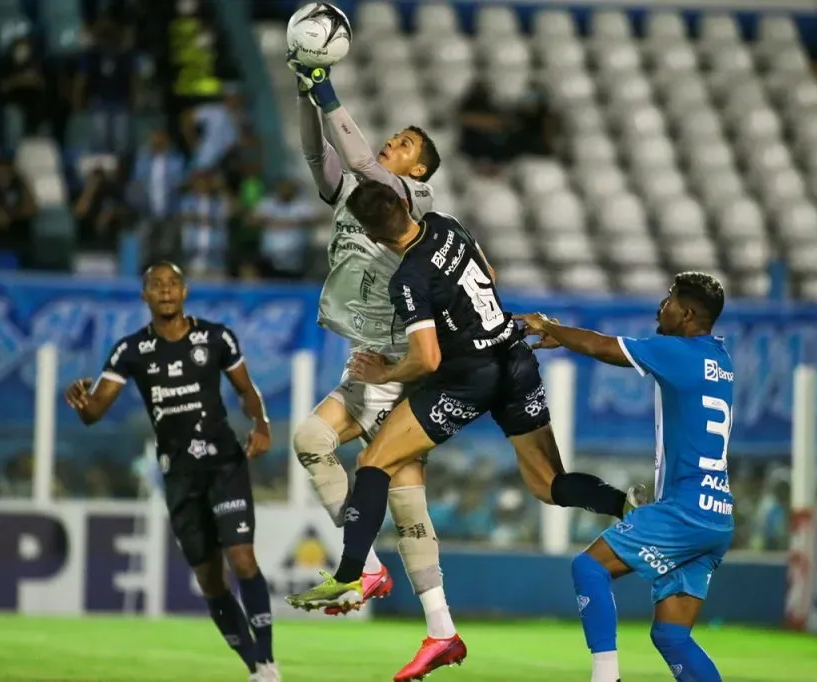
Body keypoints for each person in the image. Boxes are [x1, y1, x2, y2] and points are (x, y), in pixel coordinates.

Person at [285, 181, 643, 629]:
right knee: (548, 482)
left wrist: (384, 373)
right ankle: (626, 504)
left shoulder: (409, 279)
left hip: (470, 378)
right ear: (403, 206)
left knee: (375, 462)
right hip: (514, 357)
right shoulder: (445, 224)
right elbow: (488, 276)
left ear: (375, 238)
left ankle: (351, 574)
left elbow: (427, 358)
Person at [286, 49, 464, 682]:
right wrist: (305, 96)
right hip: (368, 364)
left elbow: (359, 158)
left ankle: (413, 608)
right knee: (316, 443)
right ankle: (419, 613)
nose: (393, 143)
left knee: (406, 501)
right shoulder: (359, 193)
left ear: (421, 169)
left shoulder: (406, 194)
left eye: (406, 142)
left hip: (403, 365)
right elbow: (321, 159)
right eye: (394, 138)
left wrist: (327, 90)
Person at [62, 261, 279, 682]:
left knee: (243, 559)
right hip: (179, 476)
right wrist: (79, 399)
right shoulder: (130, 351)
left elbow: (246, 391)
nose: (165, 291)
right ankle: (255, 665)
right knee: (211, 580)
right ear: (144, 296)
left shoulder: (216, 337)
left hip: (223, 464)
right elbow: (94, 413)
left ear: (185, 292)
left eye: (172, 283)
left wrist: (262, 426)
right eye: (155, 285)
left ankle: (268, 662)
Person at [517, 271, 734, 682]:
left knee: (589, 568)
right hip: (716, 514)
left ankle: (605, 677)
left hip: (684, 511)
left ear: (687, 314)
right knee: (672, 635)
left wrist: (552, 329)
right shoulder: (720, 360)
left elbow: (605, 347)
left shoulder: (679, 353)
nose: (661, 306)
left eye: (669, 300)